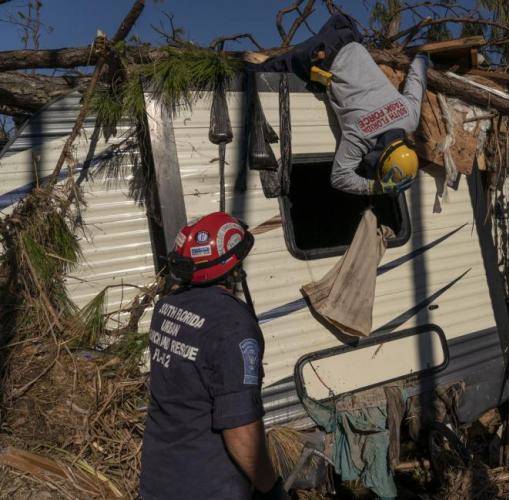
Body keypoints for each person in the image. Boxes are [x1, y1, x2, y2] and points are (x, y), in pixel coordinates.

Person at [139, 212, 288, 500]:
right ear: (234, 268)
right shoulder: (231, 327)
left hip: (160, 480)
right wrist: (271, 489)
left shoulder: (166, 308)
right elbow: (239, 429)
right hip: (209, 486)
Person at [255, 14, 429, 196]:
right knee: (266, 70)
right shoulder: (359, 137)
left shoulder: (409, 117)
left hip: (348, 34)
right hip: (320, 55)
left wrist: (424, 58)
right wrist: (375, 187)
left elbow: (416, 78)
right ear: (382, 159)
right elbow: (339, 178)